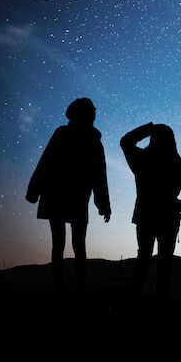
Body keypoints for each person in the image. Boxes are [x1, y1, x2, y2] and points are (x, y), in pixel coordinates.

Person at [26, 97, 111, 296]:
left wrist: (103, 203)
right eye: (91, 111)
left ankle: (69, 292)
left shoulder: (88, 140)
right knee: (68, 245)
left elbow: (99, 176)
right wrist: (34, 189)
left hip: (68, 196)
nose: (94, 114)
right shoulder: (75, 137)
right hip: (66, 195)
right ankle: (66, 291)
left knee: (69, 245)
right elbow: (46, 161)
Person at [120, 122, 181, 301]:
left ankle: (135, 297)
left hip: (146, 213)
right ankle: (161, 300)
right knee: (164, 260)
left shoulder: (143, 160)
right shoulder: (177, 163)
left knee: (144, 256)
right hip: (169, 215)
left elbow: (125, 142)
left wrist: (148, 128)